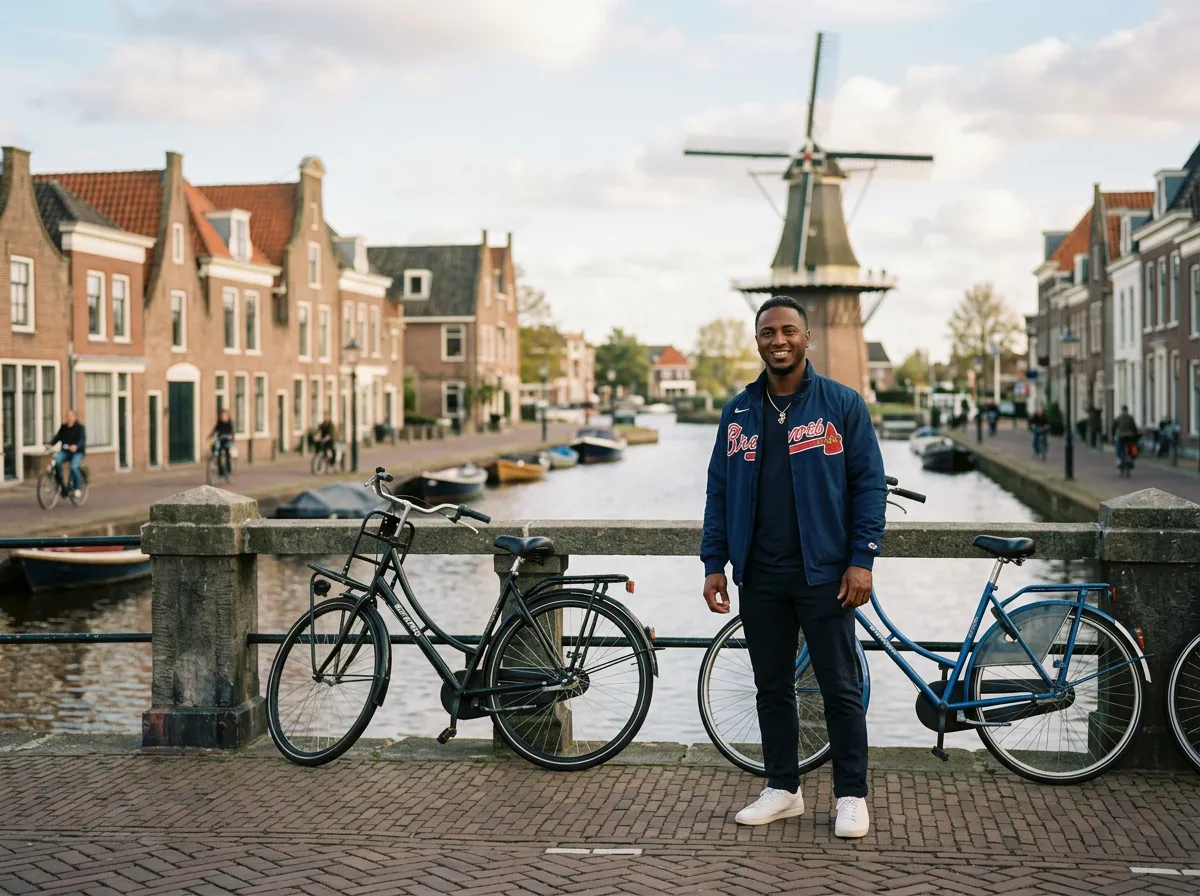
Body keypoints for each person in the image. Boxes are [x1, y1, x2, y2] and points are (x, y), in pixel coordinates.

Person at [701, 295, 886, 840]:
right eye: (767, 333)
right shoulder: (737, 412)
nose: (777, 341)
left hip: (826, 573)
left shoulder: (842, 404)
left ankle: (851, 795)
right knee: (771, 686)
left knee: (840, 687)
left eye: (787, 331)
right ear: (756, 341)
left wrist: (861, 560)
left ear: (808, 339)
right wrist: (715, 561)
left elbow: (868, 485)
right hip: (760, 573)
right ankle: (783, 788)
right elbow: (718, 490)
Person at [46, 410, 86, 497]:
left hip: (77, 453)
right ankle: (61, 485)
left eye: (71, 416)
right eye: (67, 416)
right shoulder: (63, 427)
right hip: (65, 452)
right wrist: (50, 444)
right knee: (56, 463)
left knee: (74, 467)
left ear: (75, 417)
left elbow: (82, 440)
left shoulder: (80, 428)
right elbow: (57, 437)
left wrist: (76, 446)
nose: (69, 418)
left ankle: (77, 488)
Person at [209, 410, 234, 476]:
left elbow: (231, 432)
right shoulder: (219, 423)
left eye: (225, 416)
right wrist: (210, 435)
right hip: (220, 440)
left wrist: (230, 436)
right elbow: (215, 430)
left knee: (227, 452)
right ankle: (220, 471)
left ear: (228, 417)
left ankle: (228, 469)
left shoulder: (229, 424)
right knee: (218, 453)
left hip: (227, 441)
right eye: (222, 416)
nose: (223, 417)